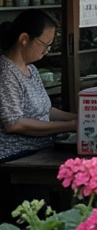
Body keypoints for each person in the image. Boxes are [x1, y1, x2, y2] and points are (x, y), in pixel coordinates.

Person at [0, 10, 75, 162]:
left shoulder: (31, 69)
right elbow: (14, 124)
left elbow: (46, 110)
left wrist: (80, 118)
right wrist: (70, 125)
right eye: (44, 45)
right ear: (24, 39)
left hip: (42, 147)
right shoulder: (6, 72)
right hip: (17, 155)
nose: (46, 51)